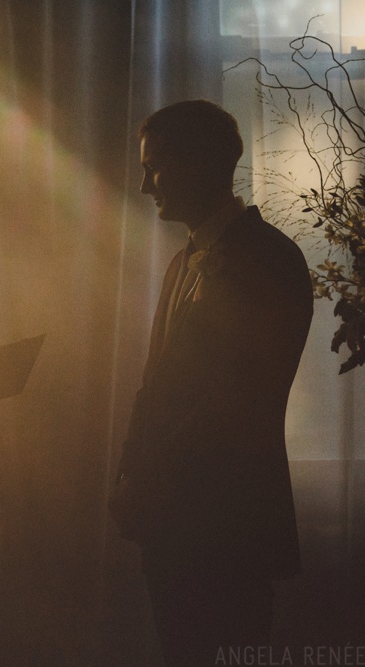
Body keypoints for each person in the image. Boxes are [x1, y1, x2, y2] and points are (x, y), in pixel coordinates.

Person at [108, 100, 313, 666]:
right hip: (173, 526)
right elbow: (157, 383)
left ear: (196, 163)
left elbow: (238, 401)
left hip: (229, 524)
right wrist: (131, 472)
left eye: (155, 167)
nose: (146, 185)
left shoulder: (271, 259)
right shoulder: (184, 262)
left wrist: (148, 480)